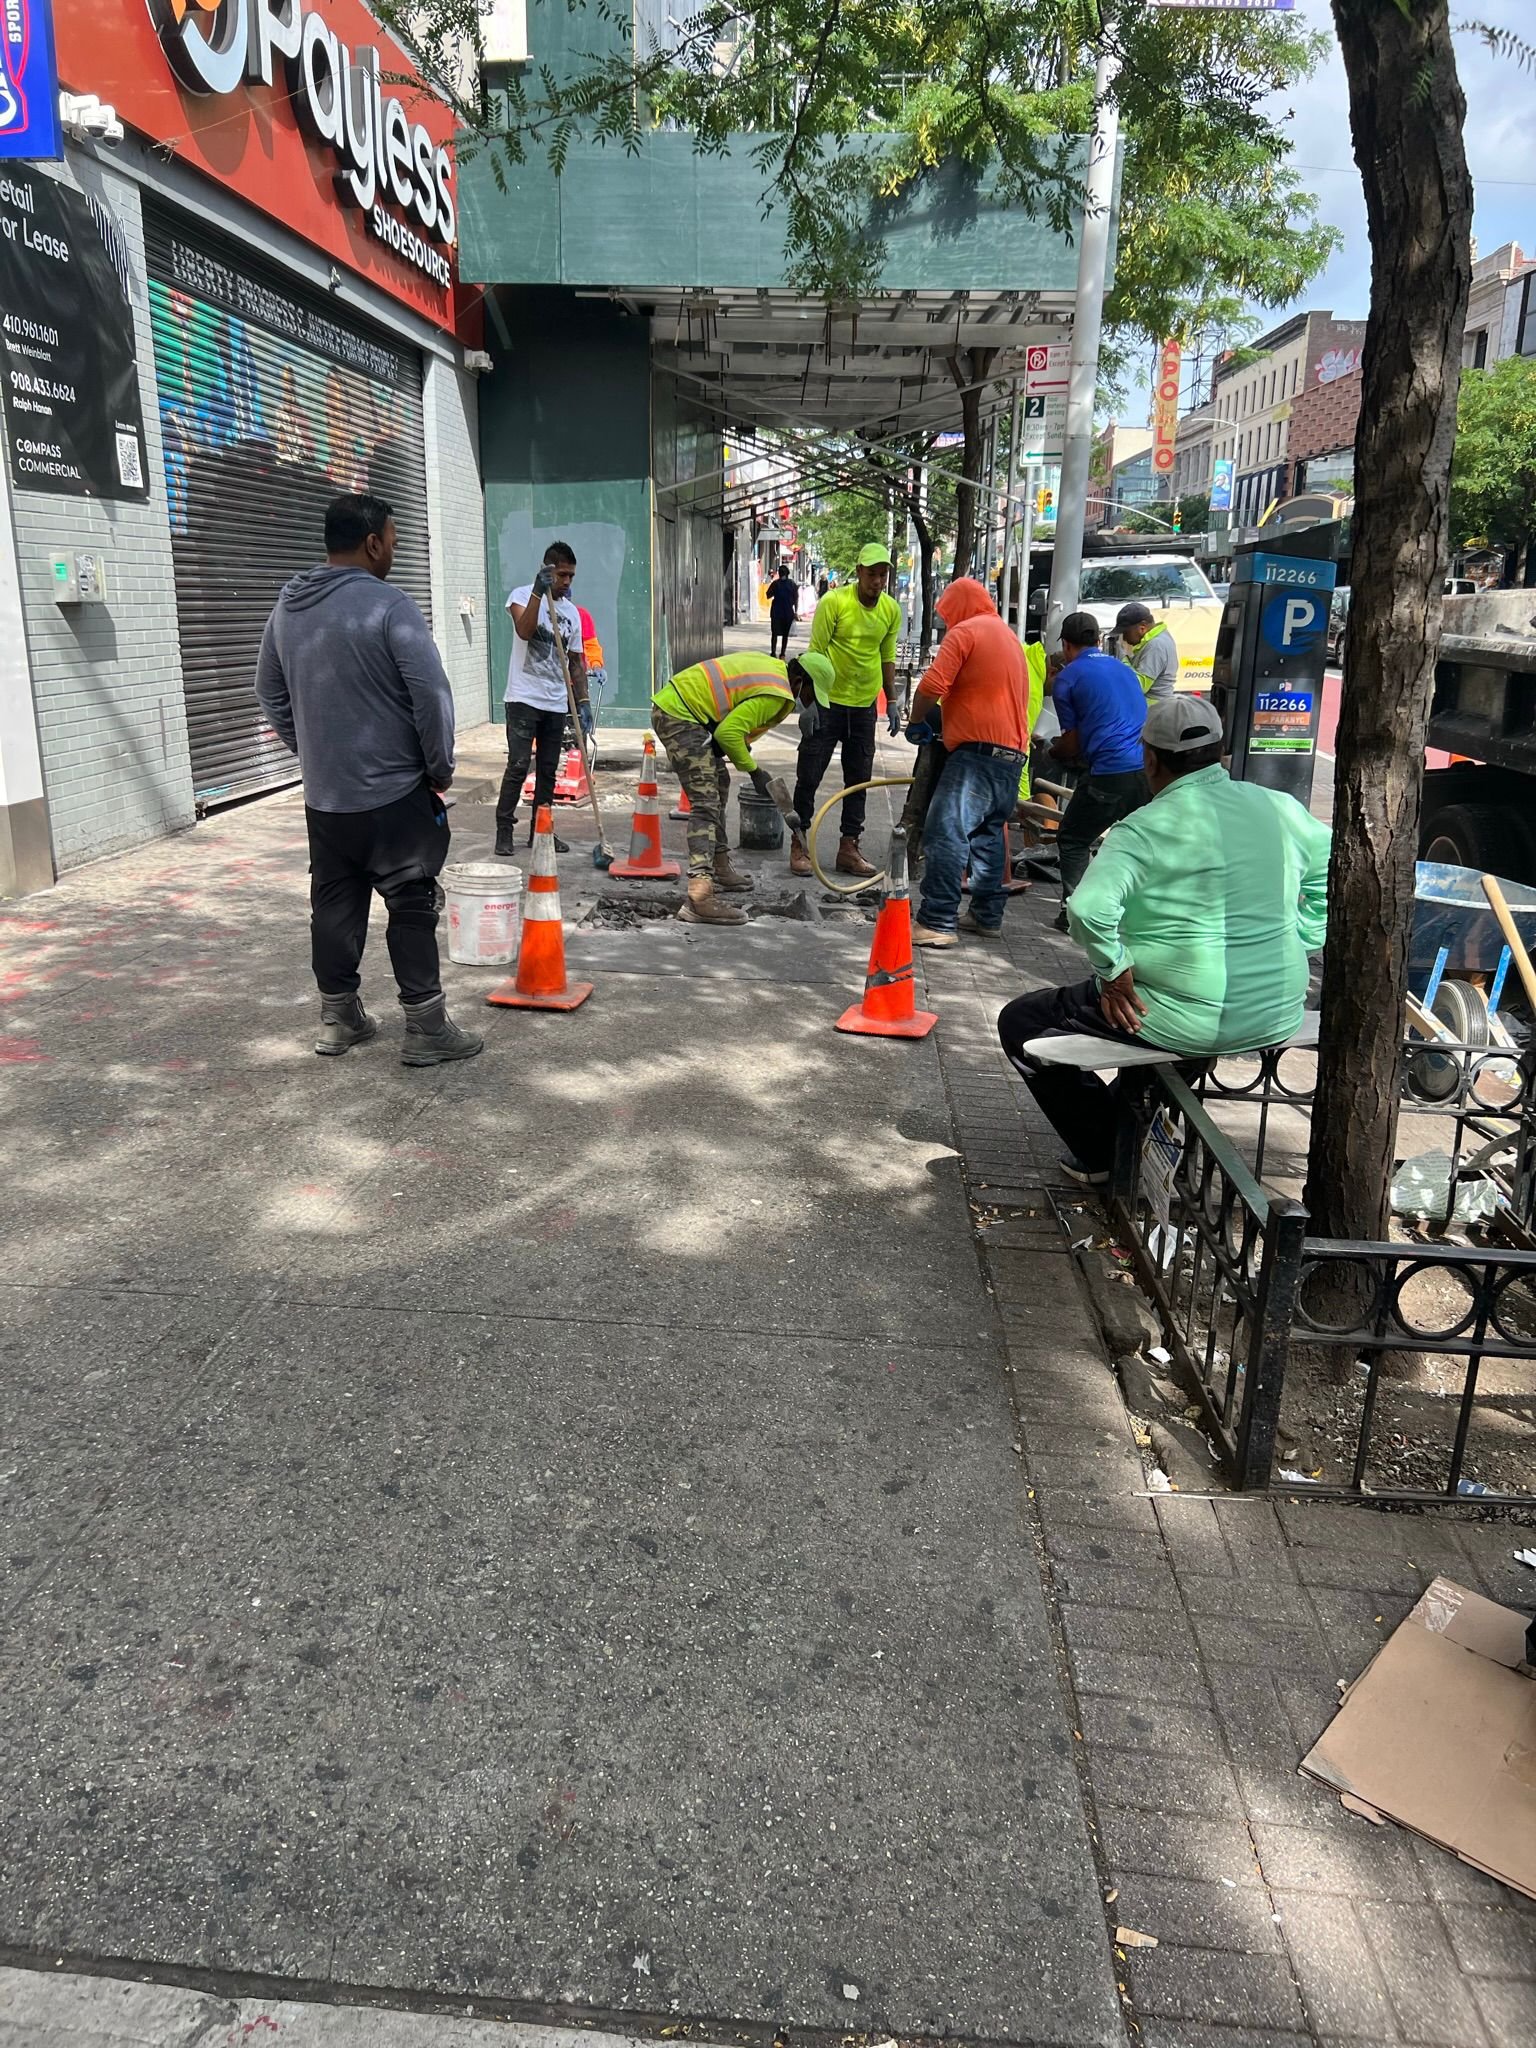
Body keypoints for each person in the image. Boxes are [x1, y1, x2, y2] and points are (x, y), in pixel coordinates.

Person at [997, 696, 1330, 1185]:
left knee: (1022, 1023)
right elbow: (1329, 871)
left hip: (1184, 1016)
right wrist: (1303, 937)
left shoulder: (1143, 828)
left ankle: (1105, 1154)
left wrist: (1112, 972)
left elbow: (1088, 908)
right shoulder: (1278, 807)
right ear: (1219, 752)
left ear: (1150, 759)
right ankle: (1133, 1140)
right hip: (1275, 1004)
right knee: (1151, 1029)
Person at [254, 492, 482, 1066]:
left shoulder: (289, 606)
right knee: (410, 901)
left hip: (327, 799)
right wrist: (439, 767)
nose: (393, 555)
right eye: (394, 543)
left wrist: (313, 752)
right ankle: (426, 1029)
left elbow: (269, 693)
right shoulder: (390, 606)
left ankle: (339, 1018)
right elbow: (431, 696)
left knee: (333, 901)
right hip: (393, 793)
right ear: (373, 542)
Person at [651, 650, 834, 925]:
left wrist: (744, 752)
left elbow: (732, 720)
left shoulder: (775, 671)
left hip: (686, 711)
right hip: (681, 716)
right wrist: (755, 771)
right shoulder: (778, 694)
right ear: (799, 681)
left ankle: (721, 866)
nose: (807, 703)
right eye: (810, 695)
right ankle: (699, 898)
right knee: (705, 803)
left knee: (720, 782)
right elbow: (728, 733)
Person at [902, 578, 1030, 948]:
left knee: (946, 832)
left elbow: (932, 686)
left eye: (947, 614)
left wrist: (916, 720)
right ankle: (986, 916)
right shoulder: (1007, 637)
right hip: (1011, 757)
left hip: (976, 757)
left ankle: (938, 921)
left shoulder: (965, 633)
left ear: (957, 608)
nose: (946, 623)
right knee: (988, 837)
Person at [791, 541, 902, 879]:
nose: (878, 582)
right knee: (809, 773)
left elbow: (887, 657)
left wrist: (893, 700)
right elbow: (815, 651)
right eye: (872, 574)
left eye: (883, 575)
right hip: (827, 702)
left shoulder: (890, 610)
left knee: (860, 780)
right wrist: (806, 703)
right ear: (858, 572)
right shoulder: (835, 602)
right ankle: (798, 844)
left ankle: (849, 847)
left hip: (864, 706)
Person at [1049, 610, 1152, 924]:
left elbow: (1073, 743)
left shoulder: (1067, 677)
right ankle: (1138, 912)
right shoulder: (1124, 669)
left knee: (1073, 838)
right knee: (1139, 843)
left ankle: (1077, 914)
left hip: (1109, 772)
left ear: (1066, 646)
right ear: (1097, 640)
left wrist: (1053, 750)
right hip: (1147, 770)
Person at [496, 541, 591, 857]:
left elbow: (576, 662)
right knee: (519, 765)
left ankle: (542, 832)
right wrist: (539, 592)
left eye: (571, 577)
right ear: (548, 570)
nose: (567, 582)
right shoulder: (521, 596)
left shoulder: (572, 614)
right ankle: (504, 831)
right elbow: (524, 631)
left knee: (549, 770)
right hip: (523, 698)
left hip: (554, 702)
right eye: (562, 575)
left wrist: (583, 701)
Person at [1116, 602, 1178, 701]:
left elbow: (1138, 687)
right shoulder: (1158, 639)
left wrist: (1122, 658)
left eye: (1126, 632)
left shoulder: (1156, 645)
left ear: (1142, 628)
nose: (1124, 638)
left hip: (1154, 710)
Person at [766, 563, 800, 660]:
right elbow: (796, 599)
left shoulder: (775, 584)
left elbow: (768, 595)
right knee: (785, 634)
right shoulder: (792, 584)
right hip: (788, 612)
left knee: (774, 633)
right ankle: (782, 654)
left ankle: (773, 652)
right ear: (788, 573)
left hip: (776, 612)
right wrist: (796, 612)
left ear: (779, 573)